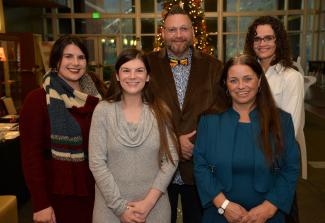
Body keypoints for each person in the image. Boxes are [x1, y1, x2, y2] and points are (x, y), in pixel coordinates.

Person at [193, 54, 300, 223]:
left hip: (269, 215)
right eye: (233, 80)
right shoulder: (208, 121)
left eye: (248, 79)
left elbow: (291, 167)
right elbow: (200, 165)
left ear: (259, 81)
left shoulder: (282, 121)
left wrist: (269, 207)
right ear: (225, 85)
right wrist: (224, 205)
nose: (241, 86)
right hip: (219, 214)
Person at [147, 5, 224, 222]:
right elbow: (141, 110)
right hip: (158, 167)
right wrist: (173, 141)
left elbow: (220, 111)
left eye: (183, 29)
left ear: (192, 31)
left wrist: (192, 141)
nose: (178, 35)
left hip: (200, 167)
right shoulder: (146, 65)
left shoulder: (214, 67)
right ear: (162, 33)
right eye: (172, 30)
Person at [88, 48, 179, 223]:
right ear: (117, 75)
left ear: (147, 77)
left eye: (139, 70)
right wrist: (120, 208)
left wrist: (148, 203)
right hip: (110, 211)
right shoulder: (103, 111)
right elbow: (97, 163)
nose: (132, 76)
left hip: (154, 209)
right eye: (126, 70)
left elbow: (171, 159)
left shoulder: (160, 110)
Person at [20, 35, 103, 223]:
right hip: (59, 193)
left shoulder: (97, 97)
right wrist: (41, 204)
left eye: (81, 57)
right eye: (68, 56)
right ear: (56, 60)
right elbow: (30, 156)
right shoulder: (37, 100)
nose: (75, 63)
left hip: (96, 190)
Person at [244, 16, 306, 179]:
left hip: (274, 157)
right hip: (245, 152)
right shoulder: (247, 74)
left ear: (278, 41)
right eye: (257, 39)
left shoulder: (291, 77)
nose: (262, 43)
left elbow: (290, 127)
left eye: (268, 38)